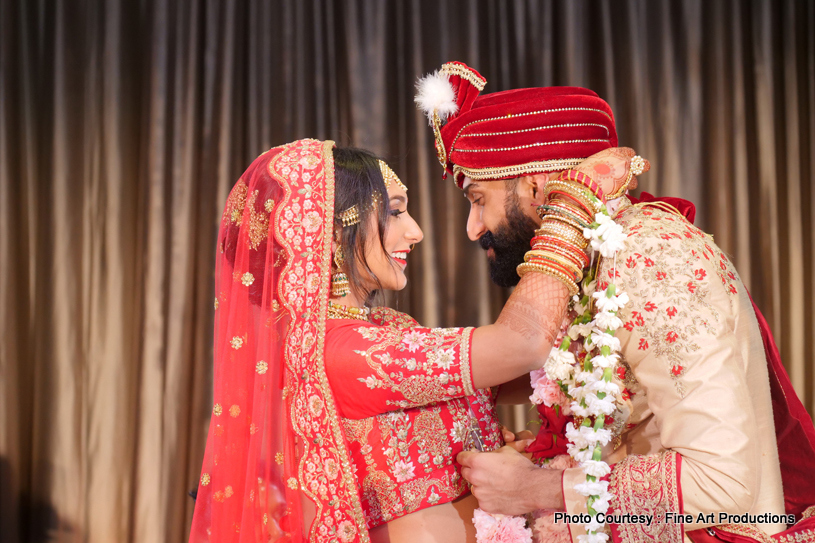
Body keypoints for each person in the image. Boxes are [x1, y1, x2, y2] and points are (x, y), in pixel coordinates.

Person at [415, 62, 815, 543]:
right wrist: (548, 454)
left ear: (537, 186)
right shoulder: (596, 260)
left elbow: (723, 483)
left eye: (479, 199)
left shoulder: (649, 257)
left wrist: (538, 487)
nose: (473, 228)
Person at [188, 139, 631, 542]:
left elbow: (523, 375)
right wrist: (572, 205)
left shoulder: (385, 328)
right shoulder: (342, 353)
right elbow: (521, 346)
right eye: (395, 211)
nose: (415, 231)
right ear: (334, 229)